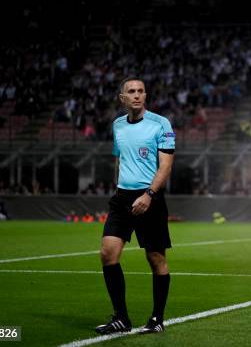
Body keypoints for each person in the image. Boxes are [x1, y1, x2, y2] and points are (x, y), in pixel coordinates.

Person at [95, 78, 175, 335]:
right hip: (122, 198)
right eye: (131, 91)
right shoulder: (118, 125)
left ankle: (157, 319)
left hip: (149, 198)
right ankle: (121, 318)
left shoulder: (161, 124)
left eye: (141, 91)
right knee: (108, 253)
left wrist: (149, 194)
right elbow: (120, 160)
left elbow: (166, 166)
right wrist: (118, 187)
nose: (137, 95)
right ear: (123, 98)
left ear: (145, 95)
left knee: (156, 259)